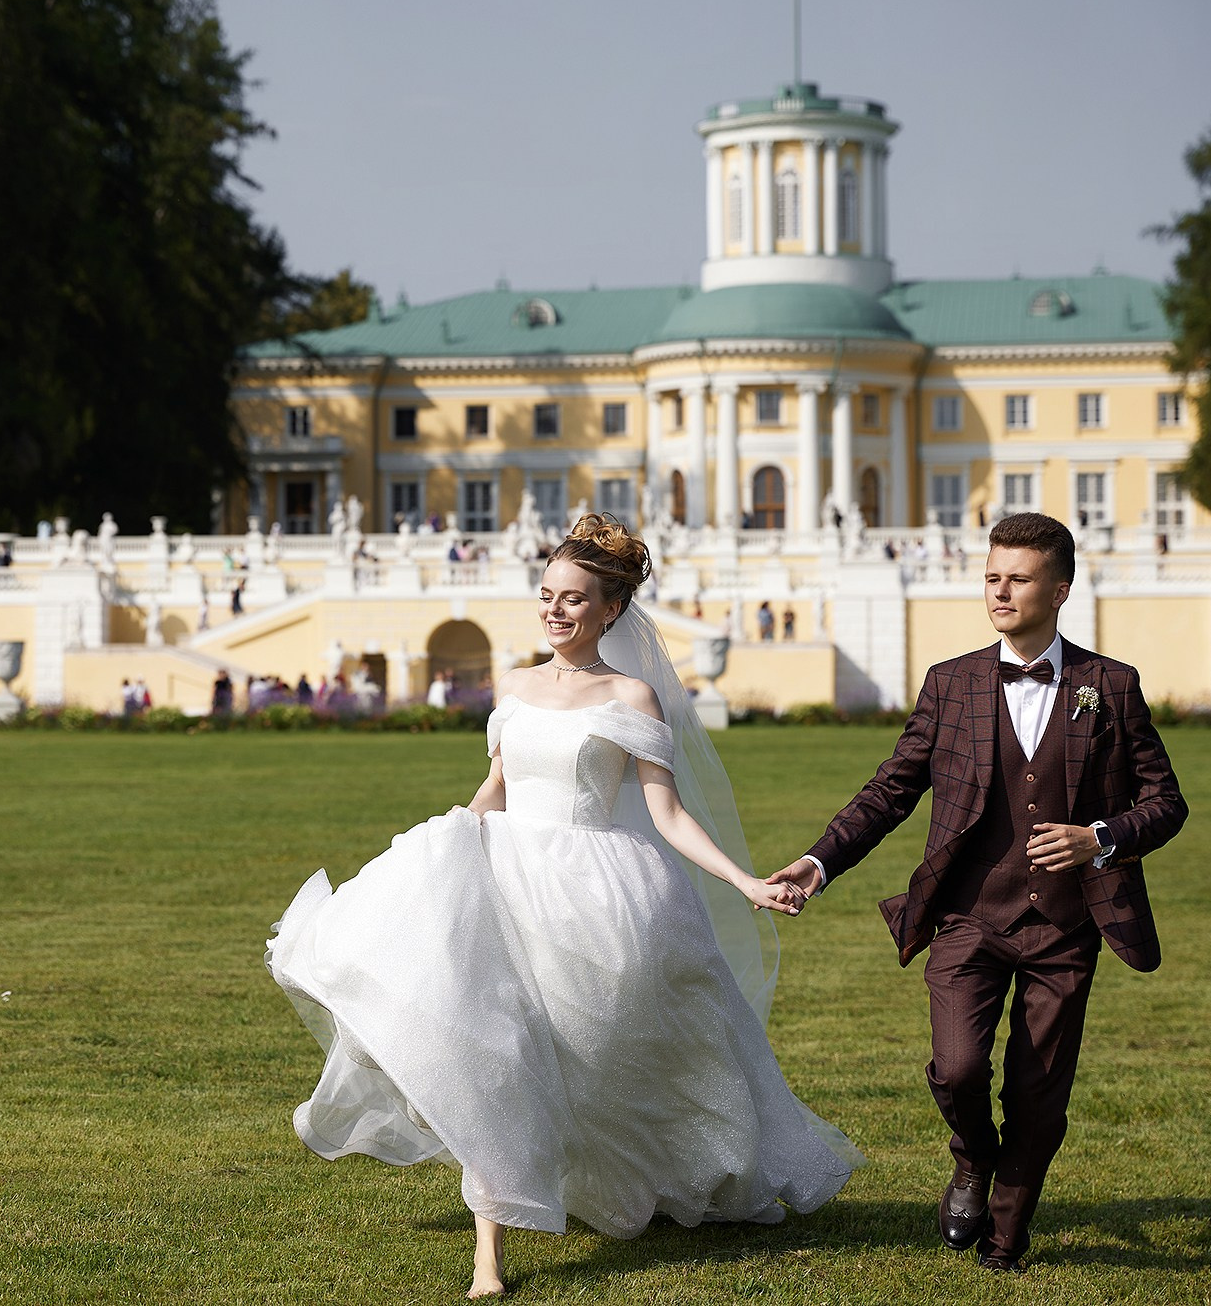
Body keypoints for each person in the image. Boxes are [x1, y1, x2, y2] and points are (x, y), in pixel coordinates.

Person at [268, 514, 858, 1298]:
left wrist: (747, 883)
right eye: (546, 595)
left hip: (598, 891)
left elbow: (669, 812)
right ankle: (489, 1259)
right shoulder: (514, 687)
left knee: (611, 1056)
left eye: (573, 599)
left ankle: (654, 1169)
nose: (554, 610)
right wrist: (440, 845)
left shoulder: (632, 694)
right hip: (506, 876)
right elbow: (496, 790)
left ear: (610, 610)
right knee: (495, 1050)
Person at [767, 512, 1188, 1274]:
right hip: (967, 917)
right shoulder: (951, 683)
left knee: (1039, 1093)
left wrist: (1100, 836)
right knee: (957, 1068)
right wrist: (817, 862)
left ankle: (1005, 1235)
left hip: (1066, 929)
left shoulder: (1111, 686)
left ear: (1059, 589)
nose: (999, 590)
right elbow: (890, 790)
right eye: (992, 576)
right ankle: (971, 1159)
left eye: (1018, 578)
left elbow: (1167, 802)